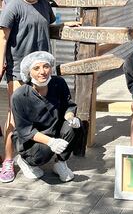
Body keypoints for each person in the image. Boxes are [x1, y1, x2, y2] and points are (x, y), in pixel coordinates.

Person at [0, 0, 55, 183]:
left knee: (39, 112)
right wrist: (0, 62)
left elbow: (48, 25)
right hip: (18, 70)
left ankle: (29, 156)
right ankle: (7, 161)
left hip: (41, 70)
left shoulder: (43, 4)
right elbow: (3, 38)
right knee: (14, 116)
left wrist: (68, 24)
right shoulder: (13, 4)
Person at [11, 51, 83, 183]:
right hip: (31, 140)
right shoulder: (20, 96)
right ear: (28, 72)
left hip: (53, 129)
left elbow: (68, 105)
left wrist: (70, 117)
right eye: (36, 68)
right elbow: (25, 130)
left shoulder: (58, 83)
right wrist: (51, 142)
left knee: (76, 126)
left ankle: (60, 163)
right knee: (44, 150)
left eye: (46, 66)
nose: (42, 71)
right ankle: (26, 161)